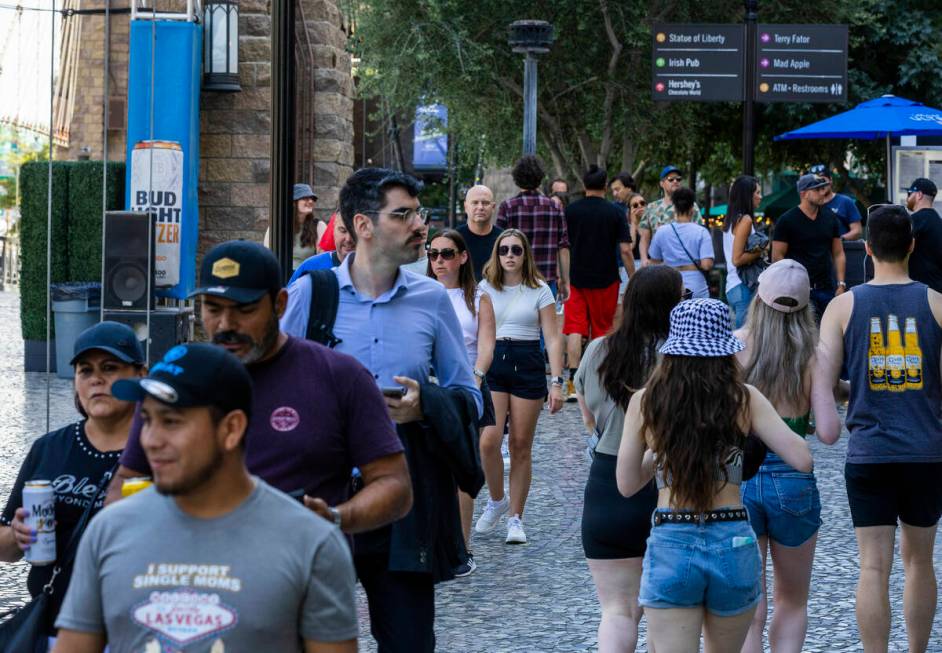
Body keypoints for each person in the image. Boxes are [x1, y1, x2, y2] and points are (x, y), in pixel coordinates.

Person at [281, 168, 483, 653]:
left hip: (402, 501)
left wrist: (426, 406)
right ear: (364, 225)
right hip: (317, 499)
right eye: (403, 214)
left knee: (410, 643)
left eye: (419, 214)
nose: (420, 226)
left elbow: (470, 396)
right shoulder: (313, 294)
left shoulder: (431, 300)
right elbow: (273, 388)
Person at [52, 343, 358, 652]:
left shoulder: (311, 542)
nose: (151, 440)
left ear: (231, 429)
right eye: (146, 419)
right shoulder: (108, 531)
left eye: (171, 421)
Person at [106, 240, 413, 546]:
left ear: (280, 304)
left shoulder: (340, 376)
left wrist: (334, 518)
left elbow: (394, 485)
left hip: (300, 576)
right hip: (195, 576)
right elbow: (125, 482)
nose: (226, 324)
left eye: (244, 310)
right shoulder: (174, 375)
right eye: (213, 309)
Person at [616, 298, 813, 652]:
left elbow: (627, 484)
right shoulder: (743, 398)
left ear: (673, 349)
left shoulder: (646, 403)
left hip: (673, 537)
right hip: (732, 537)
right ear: (725, 351)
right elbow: (802, 459)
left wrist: (660, 448)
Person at [813, 205, 942, 653]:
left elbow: (825, 384)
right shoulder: (937, 304)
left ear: (866, 249)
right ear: (912, 245)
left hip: (869, 453)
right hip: (926, 453)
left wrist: (858, 389)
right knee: (921, 562)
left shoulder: (842, 307)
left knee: (872, 567)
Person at [0, 322, 144, 642]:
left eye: (110, 368)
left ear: (140, 375)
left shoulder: (159, 450)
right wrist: (16, 534)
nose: (96, 379)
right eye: (85, 370)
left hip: (131, 634)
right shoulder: (49, 448)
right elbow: (4, 549)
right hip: (52, 630)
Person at [575, 265, 682, 653]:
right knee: (661, 611)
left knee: (617, 611)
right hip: (666, 484)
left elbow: (588, 416)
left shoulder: (597, 350)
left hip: (606, 483)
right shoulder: (678, 358)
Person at [735, 260, 824, 653]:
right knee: (793, 600)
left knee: (749, 604)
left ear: (758, 299)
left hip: (740, 476)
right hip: (793, 476)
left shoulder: (735, 345)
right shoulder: (812, 353)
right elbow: (827, 429)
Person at [475, 229, 565, 545]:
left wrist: (557, 381)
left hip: (527, 361)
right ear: (496, 255)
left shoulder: (539, 289)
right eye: (504, 250)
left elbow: (552, 337)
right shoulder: (485, 288)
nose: (510, 255)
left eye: (516, 249)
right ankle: (497, 499)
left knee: (520, 444)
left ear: (525, 254)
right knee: (488, 440)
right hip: (495, 360)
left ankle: (515, 517)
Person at [427, 229, 496, 576]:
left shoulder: (478, 296)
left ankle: (462, 546)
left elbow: (486, 342)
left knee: (462, 466)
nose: (439, 260)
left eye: (447, 254)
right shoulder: (421, 292)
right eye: (433, 253)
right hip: (429, 386)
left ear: (462, 257)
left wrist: (478, 376)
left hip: (465, 384)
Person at [563, 164, 634, 399]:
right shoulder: (615, 213)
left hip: (576, 278)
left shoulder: (571, 211)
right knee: (603, 330)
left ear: (584, 186)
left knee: (575, 328)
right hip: (606, 279)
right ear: (605, 186)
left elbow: (563, 247)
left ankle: (573, 382)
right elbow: (625, 249)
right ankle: (599, 380)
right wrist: (633, 276)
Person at [496, 155, 571, 303]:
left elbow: (498, 245)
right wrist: (565, 280)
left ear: (517, 178)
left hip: (514, 280)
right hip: (546, 280)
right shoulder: (554, 207)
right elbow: (563, 247)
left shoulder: (508, 207)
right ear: (540, 177)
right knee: (546, 325)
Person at [772, 174, 847, 319]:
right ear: (804, 194)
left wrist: (841, 284)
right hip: (798, 290)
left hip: (827, 288)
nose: (822, 193)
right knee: (803, 337)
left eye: (823, 189)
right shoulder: (787, 220)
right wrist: (787, 287)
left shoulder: (830, 217)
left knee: (828, 334)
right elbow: (777, 257)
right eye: (817, 190)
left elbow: (838, 253)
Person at [648, 186, 714, 298]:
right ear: (692, 208)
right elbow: (706, 265)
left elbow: (654, 261)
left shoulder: (661, 231)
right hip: (696, 287)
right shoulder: (701, 232)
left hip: (668, 284)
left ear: (674, 208)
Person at [723, 175, 766, 328]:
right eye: (758, 192)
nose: (760, 197)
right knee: (745, 342)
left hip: (733, 287)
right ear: (748, 195)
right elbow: (737, 259)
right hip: (742, 286)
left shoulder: (732, 219)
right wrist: (761, 251)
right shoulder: (745, 220)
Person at [639, 165, 702, 266]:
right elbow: (644, 238)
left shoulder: (691, 206)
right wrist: (644, 258)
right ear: (662, 183)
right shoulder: (651, 207)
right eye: (671, 179)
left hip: (685, 265)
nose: (675, 181)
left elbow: (699, 234)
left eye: (678, 179)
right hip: (659, 266)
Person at [264, 183, 321, 270]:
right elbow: (267, 256)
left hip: (305, 276)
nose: (310, 201)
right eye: (305, 198)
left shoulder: (318, 226)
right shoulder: (277, 226)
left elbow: (322, 259)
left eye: (312, 198)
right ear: (294, 202)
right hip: (280, 276)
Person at [289, 212, 357, 283]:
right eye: (343, 230)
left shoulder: (369, 272)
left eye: (354, 232)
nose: (348, 239)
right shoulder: (310, 267)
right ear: (333, 230)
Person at [457, 185, 503, 282]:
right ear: (466, 207)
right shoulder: (454, 239)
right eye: (475, 203)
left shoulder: (503, 239)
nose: (480, 207)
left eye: (485, 203)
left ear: (493, 207)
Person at [905, 177, 942, 293]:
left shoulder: (913, 221)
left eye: (909, 193)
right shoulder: (938, 222)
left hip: (920, 293)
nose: (907, 198)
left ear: (919, 195)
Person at [809, 163, 863, 241]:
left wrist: (839, 240)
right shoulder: (809, 204)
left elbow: (857, 231)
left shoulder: (845, 201)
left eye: (823, 180)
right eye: (816, 182)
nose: (821, 184)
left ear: (830, 180)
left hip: (843, 249)